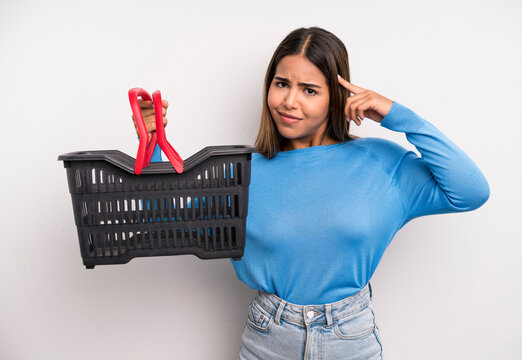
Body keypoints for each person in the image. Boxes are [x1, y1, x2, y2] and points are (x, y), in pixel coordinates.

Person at [132, 27, 490, 360]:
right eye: (281, 83)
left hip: (351, 339)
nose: (289, 101)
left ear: (337, 97)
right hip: (268, 338)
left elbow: (469, 191)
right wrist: (152, 143)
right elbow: (166, 220)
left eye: (309, 90)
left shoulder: (381, 163)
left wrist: (399, 116)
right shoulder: (240, 171)